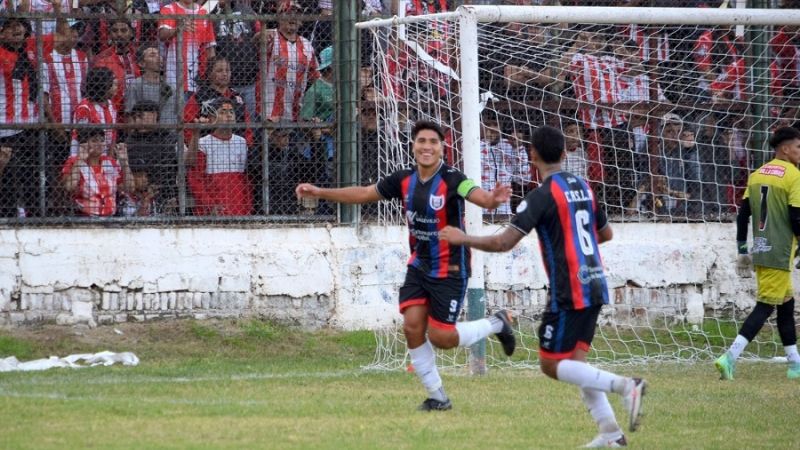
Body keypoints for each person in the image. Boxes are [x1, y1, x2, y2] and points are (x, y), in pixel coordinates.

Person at [439, 125, 647, 447]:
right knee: (576, 364)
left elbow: (503, 242)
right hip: (596, 283)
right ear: (565, 154)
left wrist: (462, 237)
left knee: (551, 365)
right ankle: (611, 433)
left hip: (569, 290)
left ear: (531, 155)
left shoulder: (540, 196)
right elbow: (605, 234)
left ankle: (625, 387)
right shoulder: (584, 187)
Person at [296, 120, 516, 411]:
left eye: (433, 142)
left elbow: (479, 195)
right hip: (420, 265)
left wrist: (492, 200)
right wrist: (320, 192)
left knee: (442, 337)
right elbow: (364, 193)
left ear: (442, 148)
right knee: (412, 327)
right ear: (413, 146)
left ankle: (497, 322)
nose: (427, 147)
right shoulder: (403, 179)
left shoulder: (453, 178)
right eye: (422, 141)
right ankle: (437, 396)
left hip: (450, 268)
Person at [716, 126, 800, 381]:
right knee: (765, 306)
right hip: (780, 250)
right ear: (784, 149)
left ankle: (795, 364)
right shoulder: (793, 176)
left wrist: (742, 248)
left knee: (786, 304)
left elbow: (743, 213)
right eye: (798, 147)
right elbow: (797, 218)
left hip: (761, 248)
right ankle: (729, 357)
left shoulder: (757, 174)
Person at [186, 97, 253, 216]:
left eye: (231, 112)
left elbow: (245, 179)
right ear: (212, 118)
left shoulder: (242, 142)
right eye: (223, 112)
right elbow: (195, 179)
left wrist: (247, 206)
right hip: (213, 209)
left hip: (239, 206)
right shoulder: (203, 143)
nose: (229, 115)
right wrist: (209, 205)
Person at [62, 128, 134, 217]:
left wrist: (124, 163)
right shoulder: (73, 161)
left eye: (102, 141)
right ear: (84, 144)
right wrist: (79, 160)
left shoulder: (109, 162)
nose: (100, 144)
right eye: (94, 141)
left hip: (111, 217)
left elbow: (130, 188)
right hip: (83, 217)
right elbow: (69, 187)